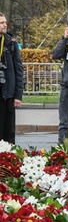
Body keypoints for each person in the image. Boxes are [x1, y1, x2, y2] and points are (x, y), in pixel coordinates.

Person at [0, 13, 23, 144]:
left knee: (8, 133)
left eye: (5, 22)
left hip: (7, 93)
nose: (5, 25)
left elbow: (18, 70)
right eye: (2, 23)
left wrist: (18, 95)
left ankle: (8, 160)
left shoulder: (11, 43)